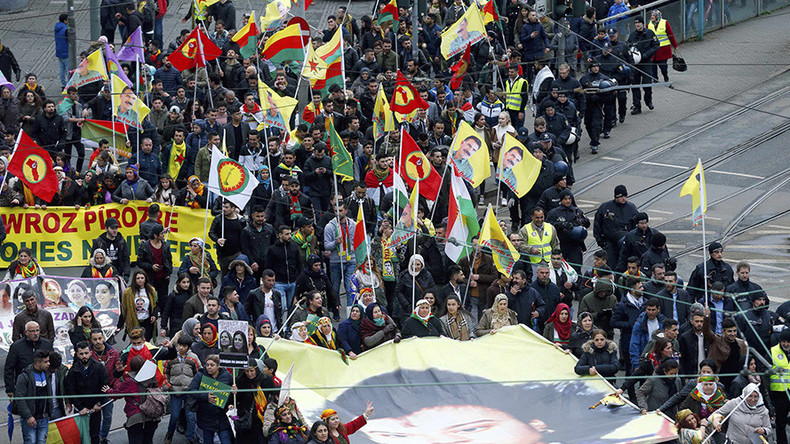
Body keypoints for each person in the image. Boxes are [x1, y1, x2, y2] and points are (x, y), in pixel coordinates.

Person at [102, 356, 161, 444]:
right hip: (152, 415)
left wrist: (108, 390)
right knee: (148, 441)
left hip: (136, 418)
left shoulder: (130, 382)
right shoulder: (152, 377)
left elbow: (116, 394)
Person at [65, 341, 110, 444]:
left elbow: (105, 385)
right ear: (77, 354)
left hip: (95, 408)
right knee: (80, 435)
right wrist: (80, 407)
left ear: (90, 352)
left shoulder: (99, 367)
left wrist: (99, 403)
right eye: (81, 354)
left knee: (94, 435)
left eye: (86, 353)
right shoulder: (73, 371)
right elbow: (70, 390)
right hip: (80, 409)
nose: (84, 356)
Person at [162, 334, 200, 444]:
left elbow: (198, 373)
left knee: (191, 416)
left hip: (189, 392)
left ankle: (191, 438)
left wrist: (195, 387)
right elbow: (165, 373)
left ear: (188, 347)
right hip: (175, 392)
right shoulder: (171, 357)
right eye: (179, 345)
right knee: (174, 415)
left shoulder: (193, 357)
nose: (181, 348)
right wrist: (168, 387)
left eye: (184, 346)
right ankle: (169, 435)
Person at [188, 355, 233, 444]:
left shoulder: (227, 376)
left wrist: (233, 395)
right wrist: (205, 396)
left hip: (222, 417)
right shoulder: (200, 375)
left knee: (226, 440)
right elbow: (191, 390)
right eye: (207, 365)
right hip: (206, 416)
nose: (209, 367)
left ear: (218, 366)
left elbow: (231, 395)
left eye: (212, 365)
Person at [5, 321, 54, 399]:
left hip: (44, 385)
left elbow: (53, 363)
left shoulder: (47, 344)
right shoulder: (17, 346)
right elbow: (9, 368)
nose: (36, 333)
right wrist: (10, 388)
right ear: (26, 332)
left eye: (37, 330)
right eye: (32, 331)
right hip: (25, 385)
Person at [593, 185, 637, 265]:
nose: (623, 199)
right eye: (621, 196)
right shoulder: (605, 207)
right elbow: (597, 224)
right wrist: (600, 241)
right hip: (609, 242)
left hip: (625, 242)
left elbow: (635, 225)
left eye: (625, 196)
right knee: (611, 265)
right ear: (616, 197)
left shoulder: (631, 208)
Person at [14, 350, 52, 444]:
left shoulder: (47, 374)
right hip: (30, 419)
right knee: (30, 441)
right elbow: (20, 398)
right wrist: (28, 416)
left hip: (44, 418)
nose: (49, 364)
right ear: (38, 363)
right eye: (46, 362)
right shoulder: (24, 377)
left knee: (42, 441)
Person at [88, 328, 118, 444]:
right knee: (94, 418)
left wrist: (115, 390)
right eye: (95, 339)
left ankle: (103, 437)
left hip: (108, 390)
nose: (98, 341)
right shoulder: (88, 354)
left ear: (104, 338)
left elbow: (117, 374)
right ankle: (94, 438)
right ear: (91, 340)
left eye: (100, 338)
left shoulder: (113, 352)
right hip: (93, 391)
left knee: (107, 416)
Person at [393, 255, 437, 323]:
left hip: (423, 307)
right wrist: (406, 304)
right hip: (408, 309)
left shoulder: (427, 275)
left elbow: (432, 289)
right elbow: (398, 291)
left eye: (418, 264)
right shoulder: (405, 276)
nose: (415, 267)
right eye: (413, 264)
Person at [233, 358, 266, 444]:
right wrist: (235, 393)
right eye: (246, 371)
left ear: (256, 369)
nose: (249, 374)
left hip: (261, 418)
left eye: (252, 371)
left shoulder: (265, 380)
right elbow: (235, 401)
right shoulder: (239, 381)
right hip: (245, 419)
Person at [121, 270, 159, 340]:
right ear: (134, 279)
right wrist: (121, 323)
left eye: (142, 278)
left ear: (145, 279)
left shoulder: (151, 290)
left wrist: (154, 315)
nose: (140, 280)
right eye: (138, 278)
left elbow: (155, 305)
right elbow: (124, 308)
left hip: (147, 322)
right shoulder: (128, 292)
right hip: (134, 322)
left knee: (146, 343)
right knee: (135, 342)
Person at [770, 328, 790, 444]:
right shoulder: (773, 351)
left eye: (788, 342)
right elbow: (765, 372)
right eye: (784, 341)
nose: (786, 344)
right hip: (779, 393)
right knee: (780, 423)